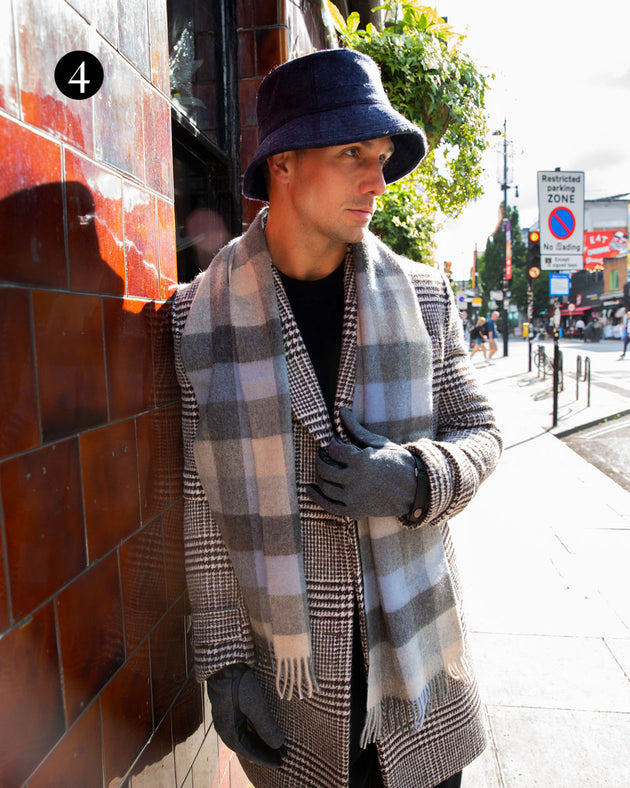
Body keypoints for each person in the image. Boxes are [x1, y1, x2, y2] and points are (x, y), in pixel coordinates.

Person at [172, 49, 501, 788]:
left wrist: (415, 476)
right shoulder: (196, 317)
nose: (378, 182)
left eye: (381, 157)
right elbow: (202, 502)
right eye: (353, 153)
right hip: (295, 685)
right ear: (282, 164)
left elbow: (481, 431)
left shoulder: (423, 296)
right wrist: (224, 662)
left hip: (417, 675)